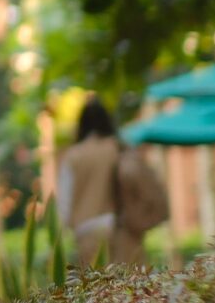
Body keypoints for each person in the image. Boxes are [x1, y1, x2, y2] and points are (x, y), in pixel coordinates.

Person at [57, 97, 162, 266]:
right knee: (130, 280)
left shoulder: (72, 156)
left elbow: (64, 205)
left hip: (86, 231)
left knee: (95, 281)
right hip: (121, 229)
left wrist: (71, 228)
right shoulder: (119, 148)